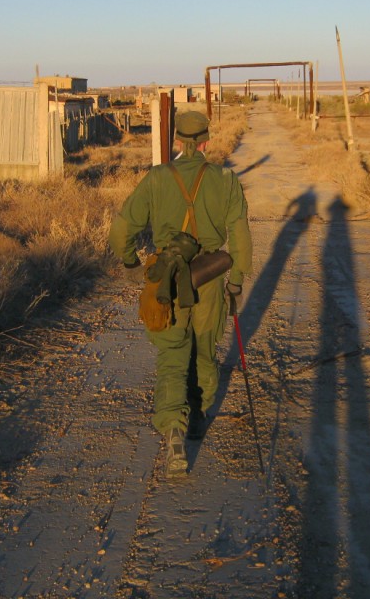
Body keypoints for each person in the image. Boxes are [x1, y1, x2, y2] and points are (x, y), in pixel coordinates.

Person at [109, 110, 252, 478]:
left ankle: (173, 425)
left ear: (177, 140)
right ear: (205, 140)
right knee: (204, 350)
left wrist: (129, 264)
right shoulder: (225, 179)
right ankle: (198, 419)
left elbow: (124, 224)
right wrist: (235, 280)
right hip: (207, 278)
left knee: (173, 354)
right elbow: (239, 235)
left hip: (166, 283)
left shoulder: (156, 178)